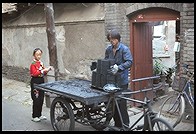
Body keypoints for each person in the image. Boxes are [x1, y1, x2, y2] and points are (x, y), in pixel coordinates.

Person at [105, 29, 133, 129]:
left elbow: (129, 62)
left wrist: (119, 67)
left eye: (113, 39)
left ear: (117, 39)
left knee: (122, 104)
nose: (111, 41)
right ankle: (117, 125)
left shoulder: (124, 49)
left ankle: (125, 126)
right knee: (114, 104)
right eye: (110, 39)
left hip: (122, 81)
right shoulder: (108, 49)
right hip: (112, 81)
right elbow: (106, 61)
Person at [30, 48, 52, 122]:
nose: (39, 56)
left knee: (41, 98)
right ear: (34, 55)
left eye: (40, 55)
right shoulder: (33, 64)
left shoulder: (41, 63)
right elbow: (34, 73)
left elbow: (43, 73)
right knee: (36, 99)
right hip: (35, 82)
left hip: (41, 81)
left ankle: (39, 114)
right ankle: (34, 116)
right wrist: (42, 70)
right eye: (37, 55)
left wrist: (47, 70)